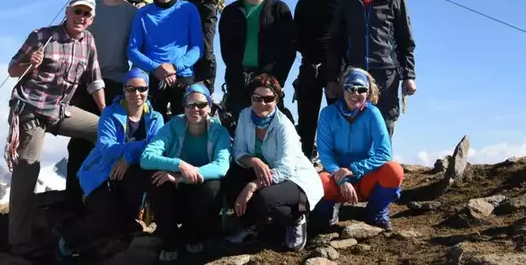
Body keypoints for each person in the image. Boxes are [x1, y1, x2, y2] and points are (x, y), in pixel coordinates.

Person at [4, 0, 104, 257]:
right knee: (28, 166)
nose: (81, 17)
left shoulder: (89, 42)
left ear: (91, 18)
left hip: (61, 110)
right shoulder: (41, 36)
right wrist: (29, 63)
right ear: (67, 12)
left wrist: (106, 115)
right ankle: (20, 241)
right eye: (77, 12)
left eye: (86, 14)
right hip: (32, 109)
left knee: (103, 133)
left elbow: (94, 80)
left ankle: (97, 209)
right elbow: (12, 69)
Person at [58, 68, 165, 259]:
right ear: (124, 90)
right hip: (100, 176)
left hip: (130, 175)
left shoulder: (155, 118)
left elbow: (156, 147)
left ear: (148, 90)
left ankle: (123, 228)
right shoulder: (110, 113)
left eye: (142, 89)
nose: (136, 94)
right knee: (107, 221)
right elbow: (106, 148)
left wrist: (127, 157)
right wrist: (137, 150)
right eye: (131, 89)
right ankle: (69, 239)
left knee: (137, 191)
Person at [65, 0, 138, 212]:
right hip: (85, 84)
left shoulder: (133, 13)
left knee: (114, 143)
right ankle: (73, 202)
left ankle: (109, 202)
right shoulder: (88, 9)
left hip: (118, 83)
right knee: (79, 143)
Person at [224, 75, 323, 252]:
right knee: (232, 177)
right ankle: (251, 226)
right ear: (251, 98)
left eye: (268, 99)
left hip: (295, 179)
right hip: (267, 172)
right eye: (257, 98)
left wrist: (252, 185)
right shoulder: (245, 116)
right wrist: (253, 161)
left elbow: (285, 170)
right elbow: (238, 151)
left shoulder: (284, 126)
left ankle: (296, 218)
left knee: (265, 199)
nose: (262, 103)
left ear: (276, 100)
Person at [327, 0, 417, 138]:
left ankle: (382, 165)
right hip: (354, 73)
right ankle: (356, 166)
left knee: (384, 124)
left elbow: (405, 42)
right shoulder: (347, 0)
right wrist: (332, 78)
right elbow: (336, 43)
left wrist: (409, 75)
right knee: (352, 122)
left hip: (386, 73)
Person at [140, 83, 232, 262]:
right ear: (184, 106)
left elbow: (221, 166)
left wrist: (183, 177)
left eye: (201, 105)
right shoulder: (173, 126)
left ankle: (192, 233)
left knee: (212, 185)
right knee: (157, 180)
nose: (195, 109)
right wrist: (180, 164)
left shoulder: (219, 132)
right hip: (176, 193)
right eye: (190, 105)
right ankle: (170, 237)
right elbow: (146, 158)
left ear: (210, 107)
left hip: (198, 192)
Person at [316, 67, 405, 230]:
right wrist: (341, 177)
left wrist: (354, 169)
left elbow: (384, 153)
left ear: (368, 92)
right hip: (337, 178)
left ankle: (376, 212)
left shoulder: (373, 113)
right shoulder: (328, 114)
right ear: (342, 89)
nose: (355, 93)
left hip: (365, 178)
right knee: (320, 181)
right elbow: (325, 154)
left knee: (394, 170)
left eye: (361, 89)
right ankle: (324, 215)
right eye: (350, 87)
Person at [219, 0, 295, 120]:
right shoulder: (230, 12)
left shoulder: (280, 10)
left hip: (268, 86)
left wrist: (276, 81)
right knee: (238, 138)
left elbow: (289, 50)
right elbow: (226, 51)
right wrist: (237, 75)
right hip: (238, 86)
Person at [127, 0, 204, 119]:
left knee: (187, 128)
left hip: (182, 75)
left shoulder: (189, 9)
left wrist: (174, 67)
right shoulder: (143, 13)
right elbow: (132, 51)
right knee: (151, 128)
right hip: (153, 76)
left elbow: (198, 48)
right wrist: (157, 69)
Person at [292, 0, 344, 159]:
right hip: (310, 66)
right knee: (306, 121)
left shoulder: (344, 2)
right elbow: (296, 38)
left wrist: (337, 72)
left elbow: (348, 38)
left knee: (337, 121)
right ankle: (305, 162)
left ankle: (337, 165)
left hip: (337, 70)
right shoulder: (304, 4)